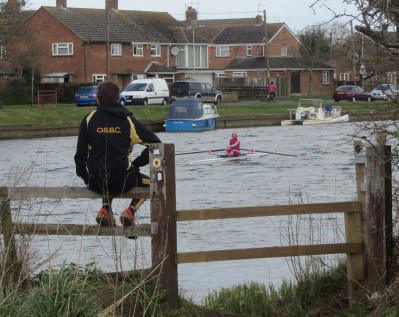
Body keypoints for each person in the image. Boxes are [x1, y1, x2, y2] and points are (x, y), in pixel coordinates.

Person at [74, 81, 161, 227]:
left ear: (98, 99)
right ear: (117, 99)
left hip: (96, 182)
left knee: (105, 171)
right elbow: (157, 145)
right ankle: (130, 211)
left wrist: (86, 178)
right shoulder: (127, 120)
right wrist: (136, 164)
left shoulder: (89, 119)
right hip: (124, 180)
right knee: (154, 184)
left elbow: (80, 155)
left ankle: (105, 209)